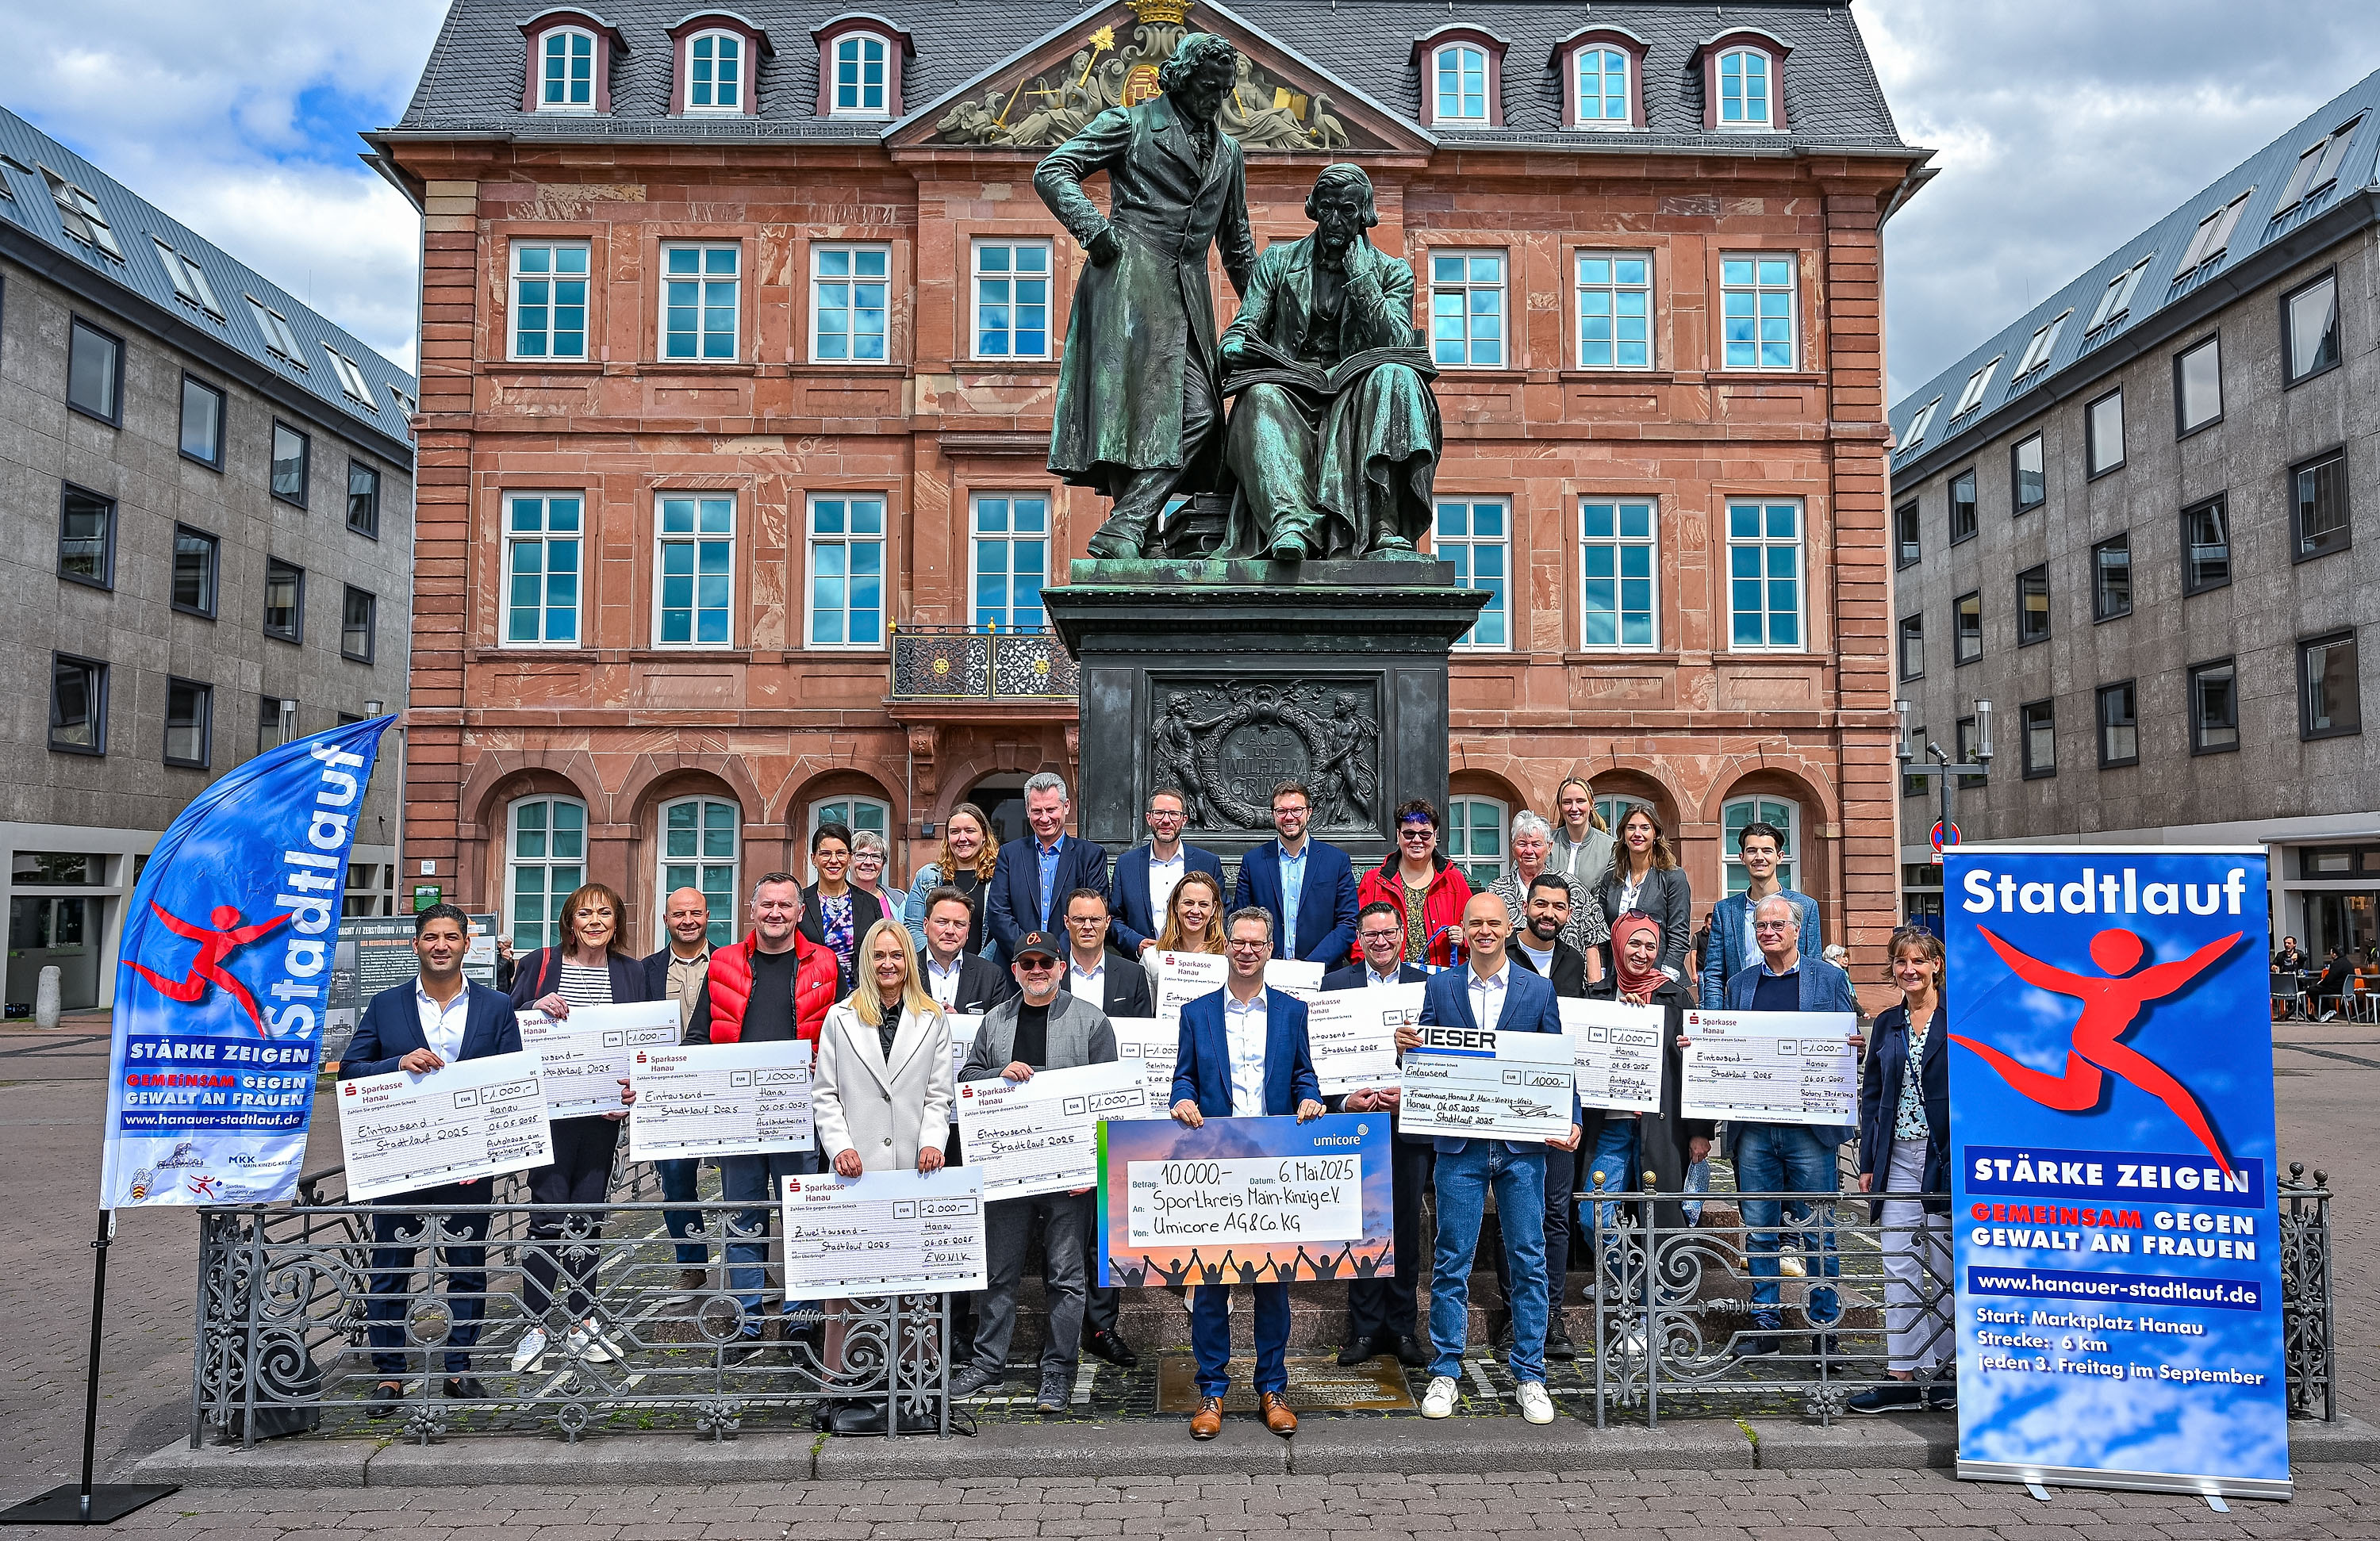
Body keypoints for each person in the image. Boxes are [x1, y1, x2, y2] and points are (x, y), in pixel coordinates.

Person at [1035, 32, 1255, 558]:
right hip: (1127, 282)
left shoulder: (1229, 153)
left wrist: (1266, 311)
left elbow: (1238, 246)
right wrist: (1094, 230)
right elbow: (1053, 170)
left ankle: (1127, 525)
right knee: (1127, 414)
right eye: (1207, 87)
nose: (1216, 100)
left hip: (1188, 297)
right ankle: (1141, 533)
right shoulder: (1130, 125)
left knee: (1201, 415)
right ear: (1179, 80)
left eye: (1223, 90)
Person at [346, 905, 524, 1412]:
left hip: (470, 1163)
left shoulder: (495, 1007)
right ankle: (390, 1374)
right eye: (430, 937)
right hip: (400, 1159)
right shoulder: (387, 1005)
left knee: (467, 1265)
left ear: (467, 944)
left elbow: (512, 1080)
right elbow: (351, 1069)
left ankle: (459, 1367)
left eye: (450, 937)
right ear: (416, 944)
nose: (440, 945)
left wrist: (493, 1155)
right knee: (390, 1266)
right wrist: (396, 1063)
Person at [1215, 163, 1438, 562]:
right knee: (1259, 397)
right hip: (1290, 391)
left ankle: (1382, 523)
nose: (1335, 221)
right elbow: (1242, 328)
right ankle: (1289, 526)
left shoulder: (1392, 272)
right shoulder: (1278, 262)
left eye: (1347, 211)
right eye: (1327, 209)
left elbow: (1398, 342)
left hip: (1357, 397)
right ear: (1314, 208)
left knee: (1396, 376)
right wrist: (1234, 349)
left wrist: (1363, 283)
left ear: (1364, 214)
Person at [1416, 892, 1579, 1427]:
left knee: (1529, 1258)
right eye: (1475, 923)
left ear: (1508, 928)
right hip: (1459, 1146)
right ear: (1462, 930)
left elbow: (1556, 1059)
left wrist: (1571, 1115)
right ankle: (1445, 1369)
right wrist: (1406, 1049)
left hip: (1521, 1147)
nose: (1484, 931)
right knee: (1451, 1260)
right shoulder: (1440, 987)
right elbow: (1423, 1058)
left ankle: (1530, 1373)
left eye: (1493, 923)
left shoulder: (1538, 989)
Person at [1169, 907, 1325, 1439]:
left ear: (1270, 949)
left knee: (1273, 1283)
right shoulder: (1196, 1013)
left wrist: (1309, 1099)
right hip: (1214, 1160)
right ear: (1226, 945)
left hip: (1274, 1162)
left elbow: (1304, 1074)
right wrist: (1182, 1099)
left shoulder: (1291, 1011)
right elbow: (1183, 1078)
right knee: (1210, 1282)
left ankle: (1272, 1388)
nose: (1247, 951)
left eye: (1256, 943)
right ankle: (1212, 1390)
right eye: (1238, 942)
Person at [954, 931, 1119, 1410]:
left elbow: (1110, 1097)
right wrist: (997, 1075)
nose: (1037, 971)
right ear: (1015, 970)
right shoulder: (994, 1021)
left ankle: (1059, 1371)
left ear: (1061, 968)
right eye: (1027, 964)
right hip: (1008, 1170)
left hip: (1069, 1177)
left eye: (1045, 963)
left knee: (1066, 1276)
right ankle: (989, 1364)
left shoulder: (1091, 1021)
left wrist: (1095, 1168)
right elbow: (967, 1077)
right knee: (999, 1273)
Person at [684, 874, 841, 1357]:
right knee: (742, 1219)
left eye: (785, 905)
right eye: (767, 904)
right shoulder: (725, 962)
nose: (776, 913)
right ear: (752, 910)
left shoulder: (825, 962)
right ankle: (747, 1322)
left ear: (800, 912)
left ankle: (800, 1323)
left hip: (800, 1114)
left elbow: (845, 1032)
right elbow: (699, 1035)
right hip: (739, 1117)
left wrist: (827, 1063)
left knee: (803, 1219)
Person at [813, 919, 954, 1435]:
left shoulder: (932, 1018)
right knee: (847, 1287)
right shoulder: (840, 1017)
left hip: (915, 1170)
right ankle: (838, 1388)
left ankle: (919, 1388)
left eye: (897, 955)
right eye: (879, 955)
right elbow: (825, 1094)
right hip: (856, 1170)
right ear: (866, 962)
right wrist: (841, 1146)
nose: (888, 964)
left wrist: (933, 1141)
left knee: (917, 1287)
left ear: (908, 961)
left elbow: (939, 1094)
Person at [507, 881, 653, 1371]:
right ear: (570, 922)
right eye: (585, 913)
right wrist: (532, 1009)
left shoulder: (632, 972)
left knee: (589, 1215)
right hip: (547, 1114)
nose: (595, 922)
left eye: (605, 914)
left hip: (602, 1116)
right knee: (547, 1215)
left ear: (617, 924)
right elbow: (506, 1026)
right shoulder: (541, 963)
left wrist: (634, 1092)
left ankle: (582, 1319)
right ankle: (535, 1323)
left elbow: (644, 1043)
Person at [1713, 893, 1862, 1358]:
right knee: (1760, 1228)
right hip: (1755, 1127)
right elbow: (1726, 1046)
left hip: (1810, 1128)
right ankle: (1765, 1324)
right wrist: (1700, 1049)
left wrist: (1853, 1044)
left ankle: (1824, 1328)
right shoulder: (1739, 985)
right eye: (1761, 926)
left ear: (1798, 930)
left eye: (1778, 925)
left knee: (1818, 1230)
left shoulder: (1829, 979)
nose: (1769, 932)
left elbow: (1848, 1037)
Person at [1322, 901, 1430, 1368]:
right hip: (1357, 1125)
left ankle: (1403, 1328)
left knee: (1405, 1226)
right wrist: (1345, 1101)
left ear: (1402, 935)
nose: (1380, 941)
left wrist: (1414, 1096)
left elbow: (1444, 1059)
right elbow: (1321, 1060)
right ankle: (1365, 1328)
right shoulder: (1335, 987)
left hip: (1408, 1125)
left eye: (1388, 933)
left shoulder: (1427, 986)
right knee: (1361, 1224)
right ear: (1359, 939)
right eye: (1371, 934)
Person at [1491, 872, 1592, 1361]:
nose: (1549, 913)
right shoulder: (1501, 956)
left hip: (1558, 1104)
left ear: (1569, 913)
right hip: (1507, 1105)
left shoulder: (1577, 963)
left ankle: (1550, 1316)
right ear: (1525, 906)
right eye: (1541, 904)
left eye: (1559, 906)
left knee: (1555, 1214)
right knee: (1513, 1217)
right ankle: (1515, 1315)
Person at [1852, 926, 1954, 1413]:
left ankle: (1947, 1371)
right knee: (1898, 1262)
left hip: (1943, 1158)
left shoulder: (1957, 1019)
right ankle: (1903, 1372)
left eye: (1918, 960)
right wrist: (1868, 1161)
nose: (1909, 969)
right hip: (1896, 1156)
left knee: (1945, 1264)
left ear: (1936, 964)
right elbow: (1873, 1096)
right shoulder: (1888, 1023)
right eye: (1900, 961)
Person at [1581, 911, 1711, 1236]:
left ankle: (1658, 1272)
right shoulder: (1596, 997)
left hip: (1663, 1126)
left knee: (1661, 1218)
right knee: (1593, 1215)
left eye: (1650, 946)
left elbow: (1695, 1069)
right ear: (1618, 944)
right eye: (1634, 943)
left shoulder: (1676, 996)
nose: (1642, 953)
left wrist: (1700, 1132)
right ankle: (1619, 1268)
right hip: (1610, 1125)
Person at [641, 886, 716, 1290]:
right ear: (666, 920)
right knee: (675, 1182)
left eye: (695, 913)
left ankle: (752, 1267)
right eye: (679, 914)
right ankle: (692, 1264)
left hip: (722, 1088)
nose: (688, 921)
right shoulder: (646, 971)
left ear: (708, 917)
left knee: (743, 1183)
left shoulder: (731, 962)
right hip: (667, 1096)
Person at [987, 772, 1111, 964]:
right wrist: (1028, 953)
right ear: (1027, 810)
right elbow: (998, 913)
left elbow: (1094, 912)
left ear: (1066, 806)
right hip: (1018, 966)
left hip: (1070, 965)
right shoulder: (1009, 854)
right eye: (1037, 811)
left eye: (1051, 810)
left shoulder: (1090, 856)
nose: (1044, 818)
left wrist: (1055, 954)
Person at [1234, 779, 1359, 967]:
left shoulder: (1336, 861)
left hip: (1321, 972)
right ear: (1273, 814)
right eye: (1281, 811)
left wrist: (1310, 965)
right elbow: (1241, 919)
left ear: (1309, 812)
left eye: (1296, 810)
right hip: (1266, 971)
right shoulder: (1253, 862)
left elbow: (1348, 922)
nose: (1289, 817)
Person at [1701, 819, 1821, 1009]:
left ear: (1779, 857)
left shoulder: (1806, 906)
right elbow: (1715, 974)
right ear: (1742, 857)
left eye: (1766, 850)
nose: (1759, 857)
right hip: (1742, 1009)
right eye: (1752, 851)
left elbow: (1814, 968)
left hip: (1792, 1008)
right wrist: (1714, 1018)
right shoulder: (1726, 911)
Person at [1108, 787, 1224, 959]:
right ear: (1149, 818)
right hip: (1141, 964)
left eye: (1174, 814)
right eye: (1159, 813)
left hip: (1195, 963)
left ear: (1184, 820)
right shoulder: (1126, 865)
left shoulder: (1208, 863)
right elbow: (1114, 918)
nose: (1166, 820)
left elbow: (1222, 914)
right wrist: (1137, 943)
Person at [1353, 799, 1472, 967]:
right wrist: (1367, 971)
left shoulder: (1453, 879)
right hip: (1389, 977)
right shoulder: (1374, 880)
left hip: (1441, 976)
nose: (1417, 840)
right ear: (1398, 835)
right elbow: (1357, 935)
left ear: (1435, 836)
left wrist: (1463, 938)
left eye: (1425, 834)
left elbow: (1475, 928)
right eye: (1409, 834)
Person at [1497, 811, 1609, 970]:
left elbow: (1593, 942)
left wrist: (1594, 984)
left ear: (1549, 847)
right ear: (1513, 846)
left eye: (1536, 844)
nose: (1529, 851)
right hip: (1513, 978)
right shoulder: (1497, 892)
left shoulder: (1572, 887)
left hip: (1566, 978)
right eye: (1522, 844)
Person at [1597, 805, 1691, 983]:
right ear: (1623, 834)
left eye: (1645, 828)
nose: (1637, 834)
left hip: (1659, 975)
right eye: (1631, 827)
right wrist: (1600, 974)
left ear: (1656, 834)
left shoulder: (1673, 877)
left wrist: (1663, 980)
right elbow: (1602, 932)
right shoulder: (1611, 878)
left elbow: (1679, 933)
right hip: (1616, 977)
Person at [902, 802, 998, 956]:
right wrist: (936, 961)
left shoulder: (1000, 877)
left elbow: (1003, 929)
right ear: (947, 837)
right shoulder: (927, 876)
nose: (962, 838)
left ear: (984, 836)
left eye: (970, 831)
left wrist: (980, 965)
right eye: (955, 832)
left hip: (985, 967)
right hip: (934, 968)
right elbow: (914, 926)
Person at [801, 822, 884, 991]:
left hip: (861, 996)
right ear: (813, 859)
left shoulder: (869, 904)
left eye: (840, 853)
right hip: (813, 995)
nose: (834, 860)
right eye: (825, 854)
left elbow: (879, 951)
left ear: (850, 857)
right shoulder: (800, 903)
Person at [917, 885, 1018, 1015]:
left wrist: (960, 1023)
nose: (950, 931)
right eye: (942, 922)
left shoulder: (991, 976)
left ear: (968, 929)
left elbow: (1001, 1026)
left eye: (959, 924)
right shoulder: (906, 969)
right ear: (926, 925)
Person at [1060, 887, 1154, 1018]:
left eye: (1095, 920)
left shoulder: (1133, 976)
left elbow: (1143, 1028)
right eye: (1079, 919)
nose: (1087, 926)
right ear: (1067, 922)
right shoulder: (1051, 973)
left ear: (1107, 922)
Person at [1549, 777, 1614, 901]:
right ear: (1560, 807)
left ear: (1591, 804)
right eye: (1567, 802)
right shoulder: (1545, 843)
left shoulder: (1610, 848)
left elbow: (1609, 898)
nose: (1574, 808)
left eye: (1580, 801)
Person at [849, 829, 900, 922]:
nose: (868, 862)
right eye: (861, 855)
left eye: (875, 856)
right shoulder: (836, 900)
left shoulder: (899, 900)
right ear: (849, 860)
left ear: (883, 863)